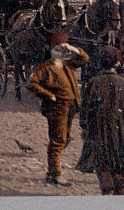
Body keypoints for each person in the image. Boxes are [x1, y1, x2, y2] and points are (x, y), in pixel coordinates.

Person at [75, 46, 124, 195]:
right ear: (117, 63)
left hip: (98, 132)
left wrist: (85, 127)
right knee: (119, 161)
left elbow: (84, 109)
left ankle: (106, 189)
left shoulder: (91, 82)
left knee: (102, 163)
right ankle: (119, 188)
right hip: (120, 132)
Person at [28, 31, 90, 186]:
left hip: (71, 107)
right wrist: (49, 95)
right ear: (51, 50)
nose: (59, 53)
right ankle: (54, 174)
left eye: (62, 50)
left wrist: (71, 47)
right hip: (56, 108)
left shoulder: (68, 64)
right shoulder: (45, 68)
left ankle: (53, 167)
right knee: (58, 140)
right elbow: (32, 84)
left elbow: (85, 59)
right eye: (56, 49)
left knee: (65, 139)